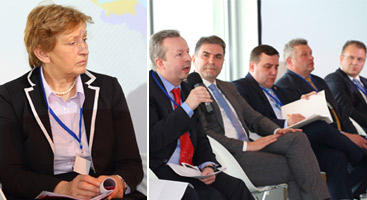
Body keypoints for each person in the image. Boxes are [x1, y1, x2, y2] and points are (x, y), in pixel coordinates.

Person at [0, 4, 143, 200]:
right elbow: (10, 175)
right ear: (42, 53)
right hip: (50, 192)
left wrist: (118, 182)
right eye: (72, 43)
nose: (84, 49)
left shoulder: (108, 88)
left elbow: (131, 162)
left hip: (101, 191)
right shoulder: (10, 96)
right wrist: (63, 189)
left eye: (84, 39)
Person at [192, 35, 330, 200]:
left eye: (218, 57)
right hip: (230, 155)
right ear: (194, 59)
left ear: (223, 61)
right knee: (296, 166)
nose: (212, 61)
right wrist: (245, 146)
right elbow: (204, 133)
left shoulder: (227, 87)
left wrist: (278, 130)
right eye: (206, 55)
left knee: (297, 138)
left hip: (251, 145)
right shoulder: (189, 90)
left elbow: (254, 118)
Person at [233, 44, 367, 199]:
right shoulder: (241, 87)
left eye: (276, 67)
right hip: (273, 139)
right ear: (252, 66)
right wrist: (284, 123)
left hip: (296, 138)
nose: (273, 72)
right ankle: (361, 155)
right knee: (320, 127)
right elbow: (254, 120)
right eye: (268, 67)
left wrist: (303, 104)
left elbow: (292, 112)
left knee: (335, 157)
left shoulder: (277, 90)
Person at [149, 30, 253, 200]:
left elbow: (200, 135)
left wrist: (207, 165)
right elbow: (153, 140)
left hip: (191, 167)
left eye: (188, 52)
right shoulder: (149, 91)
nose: (188, 58)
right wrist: (188, 106)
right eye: (180, 54)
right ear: (161, 63)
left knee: (236, 187)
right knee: (212, 197)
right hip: (162, 168)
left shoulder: (186, 88)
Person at [275, 38, 367, 150]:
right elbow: (306, 125)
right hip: (322, 142)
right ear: (290, 61)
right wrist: (346, 137)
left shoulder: (318, 80)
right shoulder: (284, 86)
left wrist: (354, 135)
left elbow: (339, 112)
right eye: (305, 55)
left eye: (311, 53)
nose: (311, 57)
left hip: (341, 135)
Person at [325, 40, 367, 131]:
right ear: (341, 58)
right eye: (351, 58)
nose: (355, 62)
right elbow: (348, 111)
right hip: (358, 132)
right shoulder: (334, 80)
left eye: (360, 59)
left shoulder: (365, 81)